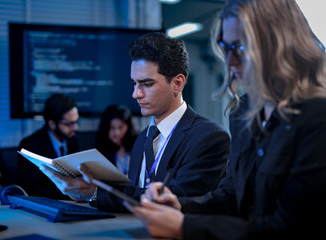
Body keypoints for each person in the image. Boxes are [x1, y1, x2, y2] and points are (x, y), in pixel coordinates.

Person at [128, 0, 326, 239]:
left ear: (278, 44)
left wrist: (185, 226)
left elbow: (290, 227)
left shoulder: (316, 116)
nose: (230, 62)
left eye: (240, 48)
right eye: (226, 47)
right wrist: (180, 207)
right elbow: (231, 196)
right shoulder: (244, 113)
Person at [40, 32, 231, 212]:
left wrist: (96, 193)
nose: (136, 94)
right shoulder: (143, 139)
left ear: (178, 83)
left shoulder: (209, 137)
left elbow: (174, 200)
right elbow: (134, 195)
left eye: (147, 84)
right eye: (134, 84)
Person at [17, 93, 79, 199]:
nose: (75, 128)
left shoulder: (72, 141)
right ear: (52, 124)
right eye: (69, 124)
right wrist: (68, 194)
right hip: (45, 205)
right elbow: (30, 188)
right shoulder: (30, 145)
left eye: (76, 122)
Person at [94, 104, 138, 176]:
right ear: (106, 127)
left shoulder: (138, 143)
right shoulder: (100, 149)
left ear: (128, 126)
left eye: (120, 127)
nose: (116, 132)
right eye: (112, 128)